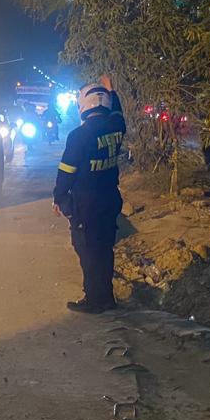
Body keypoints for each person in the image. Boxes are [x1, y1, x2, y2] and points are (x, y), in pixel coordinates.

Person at [52, 75, 126, 314]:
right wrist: (111, 92)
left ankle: (95, 300)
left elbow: (66, 172)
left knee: (87, 250)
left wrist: (60, 199)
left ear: (84, 105)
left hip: (87, 204)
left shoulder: (79, 136)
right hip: (109, 199)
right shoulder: (117, 126)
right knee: (104, 248)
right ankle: (106, 296)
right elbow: (118, 112)